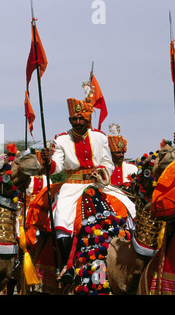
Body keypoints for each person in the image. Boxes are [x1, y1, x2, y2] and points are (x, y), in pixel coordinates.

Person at [40, 95, 135, 281]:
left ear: (88, 120)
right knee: (61, 218)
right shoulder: (60, 140)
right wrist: (47, 161)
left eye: (80, 119)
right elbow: (56, 167)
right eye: (73, 119)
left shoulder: (100, 137)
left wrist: (100, 171)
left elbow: (108, 162)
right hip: (72, 186)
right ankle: (67, 268)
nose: (77, 122)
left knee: (130, 207)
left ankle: (134, 256)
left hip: (97, 183)